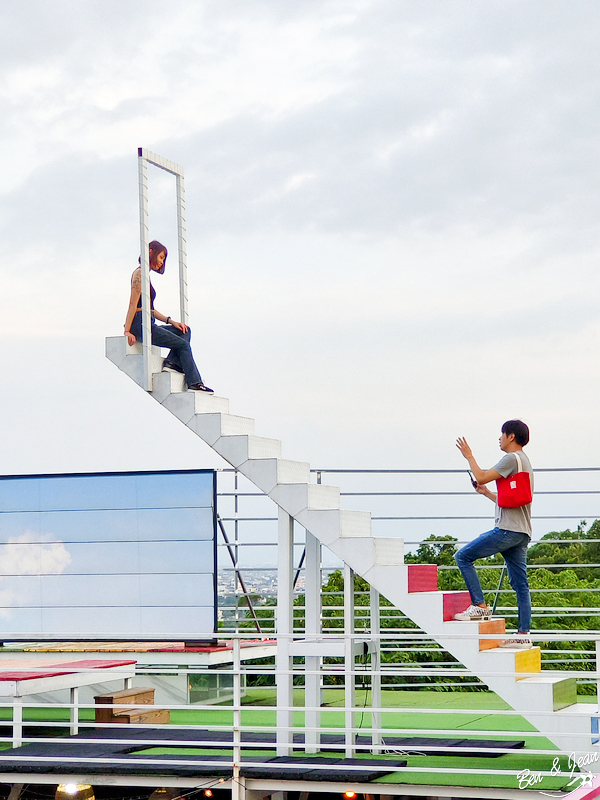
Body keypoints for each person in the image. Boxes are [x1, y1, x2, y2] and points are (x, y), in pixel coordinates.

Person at [454, 420, 533, 649]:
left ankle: (479, 606)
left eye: (501, 434)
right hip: (521, 532)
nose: (499, 438)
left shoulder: (510, 458)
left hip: (507, 531)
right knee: (521, 585)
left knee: (463, 557)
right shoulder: (524, 462)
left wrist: (469, 456)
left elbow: (480, 475)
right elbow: (511, 501)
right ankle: (523, 635)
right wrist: (487, 492)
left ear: (511, 436)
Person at [123, 240, 213, 393]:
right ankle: (194, 383)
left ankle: (172, 362)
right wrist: (127, 329)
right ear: (150, 251)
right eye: (161, 256)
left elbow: (150, 309)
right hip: (140, 324)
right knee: (183, 345)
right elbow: (133, 304)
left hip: (148, 321)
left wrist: (171, 321)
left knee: (184, 331)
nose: (162, 261)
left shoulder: (146, 275)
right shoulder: (139, 274)